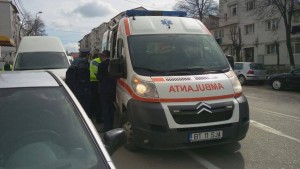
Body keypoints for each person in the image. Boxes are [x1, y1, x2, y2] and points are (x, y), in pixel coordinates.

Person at [66, 48, 90, 114]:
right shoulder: (84, 62)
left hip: (74, 86)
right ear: (87, 55)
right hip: (81, 87)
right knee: (83, 104)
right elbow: (84, 76)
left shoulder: (75, 61)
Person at [97, 50, 116, 132]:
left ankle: (106, 127)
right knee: (111, 107)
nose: (100, 57)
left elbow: (99, 77)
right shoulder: (113, 64)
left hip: (104, 89)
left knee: (105, 108)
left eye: (101, 56)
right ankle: (111, 125)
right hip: (112, 88)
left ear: (103, 56)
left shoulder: (101, 65)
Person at [89, 53, 102, 123]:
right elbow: (98, 72)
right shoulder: (97, 61)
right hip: (97, 82)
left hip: (92, 82)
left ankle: (91, 116)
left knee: (93, 101)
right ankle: (97, 118)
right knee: (98, 102)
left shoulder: (92, 61)